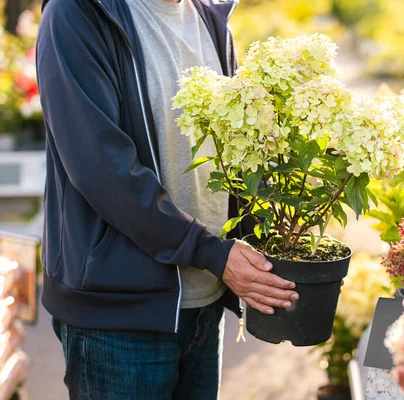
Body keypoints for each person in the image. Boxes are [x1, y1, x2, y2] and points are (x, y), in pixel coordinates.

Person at [36, 0, 299, 398]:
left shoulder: (212, 21)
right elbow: (102, 168)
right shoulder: (79, 12)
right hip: (119, 321)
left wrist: (277, 241)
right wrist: (213, 253)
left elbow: (232, 153)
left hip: (204, 303)